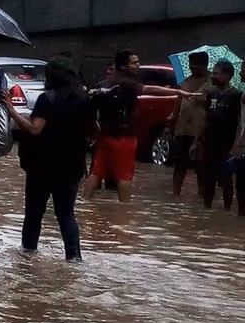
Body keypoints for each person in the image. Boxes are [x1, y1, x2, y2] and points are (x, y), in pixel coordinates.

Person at [5, 58, 94, 261]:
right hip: (72, 166)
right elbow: (92, 134)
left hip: (42, 165)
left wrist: (12, 110)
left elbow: (35, 129)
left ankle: (28, 256)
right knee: (66, 215)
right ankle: (74, 259)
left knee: (34, 213)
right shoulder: (85, 100)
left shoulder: (47, 99)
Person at [84, 50, 189, 203]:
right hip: (124, 137)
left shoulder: (104, 84)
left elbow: (91, 110)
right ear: (123, 66)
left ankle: (85, 201)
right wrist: (178, 92)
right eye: (134, 62)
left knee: (97, 172)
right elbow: (149, 90)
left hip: (105, 136)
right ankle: (124, 211)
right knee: (124, 175)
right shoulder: (127, 83)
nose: (138, 65)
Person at [193, 61, 241, 210]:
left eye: (215, 73)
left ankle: (226, 211)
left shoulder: (236, 95)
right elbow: (206, 118)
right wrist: (196, 141)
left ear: (227, 75)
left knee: (226, 180)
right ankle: (207, 210)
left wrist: (235, 146)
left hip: (226, 145)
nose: (212, 76)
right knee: (208, 180)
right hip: (209, 143)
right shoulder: (212, 93)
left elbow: (240, 122)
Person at [168, 51, 211, 196]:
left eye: (196, 65)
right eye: (191, 65)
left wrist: (200, 99)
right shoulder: (185, 81)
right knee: (179, 165)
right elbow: (179, 102)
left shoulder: (211, 83)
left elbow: (212, 105)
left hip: (199, 130)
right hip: (182, 129)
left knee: (201, 166)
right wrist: (172, 121)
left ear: (204, 65)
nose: (193, 67)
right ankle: (175, 193)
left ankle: (201, 197)